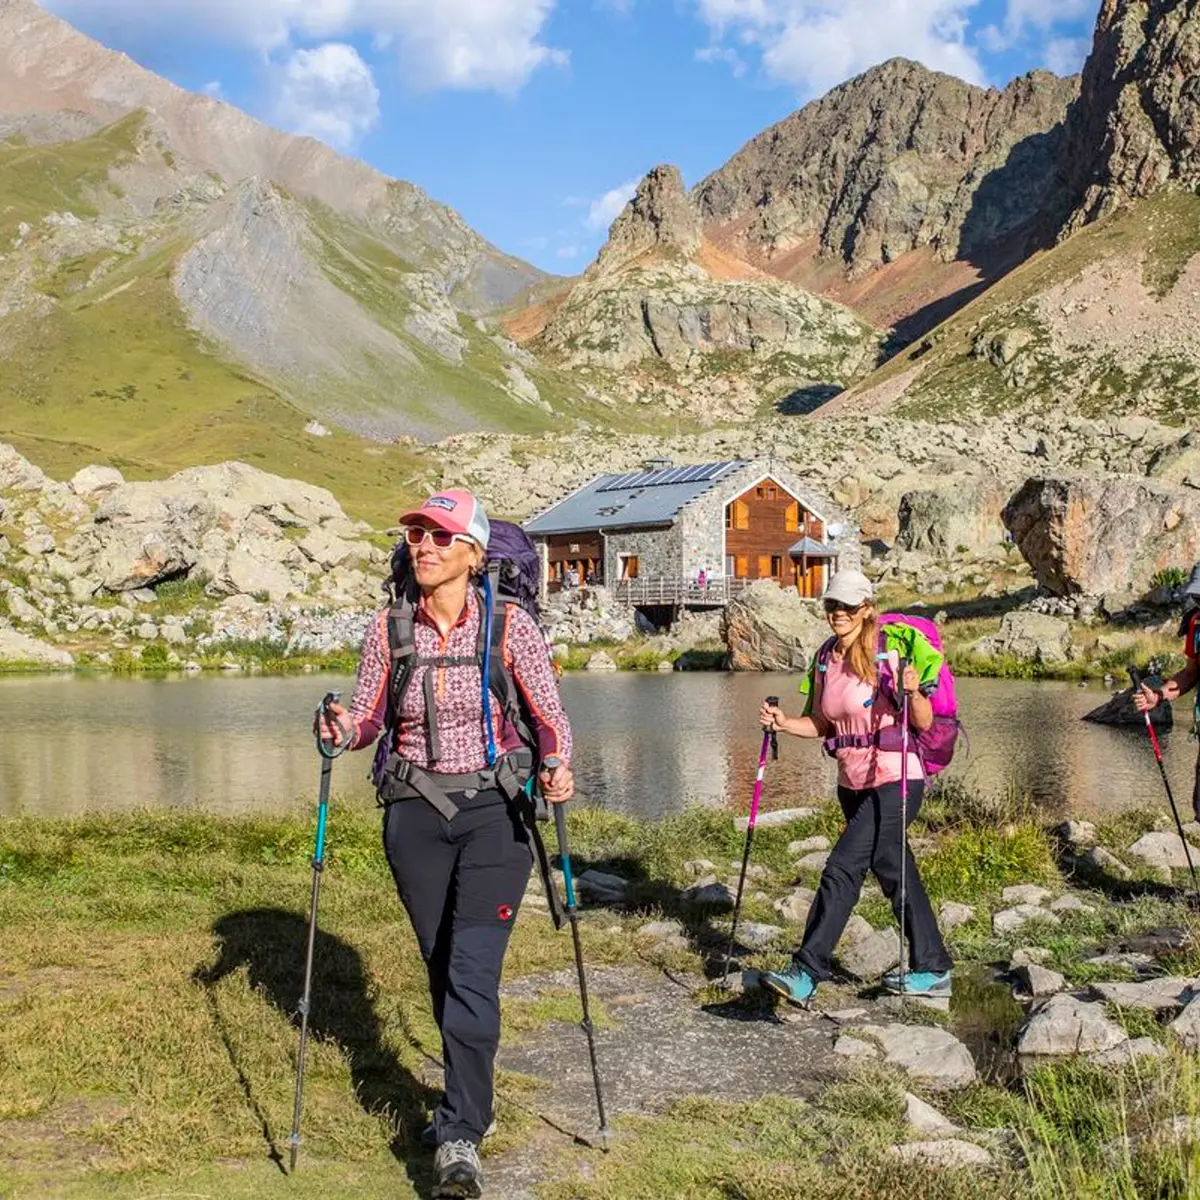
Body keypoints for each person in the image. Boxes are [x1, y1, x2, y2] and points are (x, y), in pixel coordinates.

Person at [316, 489, 574, 1200]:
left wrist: (555, 764)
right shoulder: (388, 628)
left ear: (472, 552)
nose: (422, 547)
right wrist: (342, 729)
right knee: (440, 965)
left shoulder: (509, 625)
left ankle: (460, 1132)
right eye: (416, 537)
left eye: (438, 537)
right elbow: (369, 717)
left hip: (497, 813)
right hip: (414, 814)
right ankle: (468, 1098)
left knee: (470, 971)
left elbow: (549, 717)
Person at [755, 569, 952, 1004]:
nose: (837, 613)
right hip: (852, 781)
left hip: (897, 776)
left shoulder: (888, 655)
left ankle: (806, 972)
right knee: (895, 870)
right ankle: (934, 969)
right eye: (831, 605)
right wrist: (784, 723)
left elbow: (921, 721)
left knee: (842, 867)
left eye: (846, 606)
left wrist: (913, 691)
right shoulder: (826, 657)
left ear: (866, 610)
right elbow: (823, 723)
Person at [1135, 562, 1200, 819]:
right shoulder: (1196, 624)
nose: (1198, 601)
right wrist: (1159, 696)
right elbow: (1190, 673)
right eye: (1196, 596)